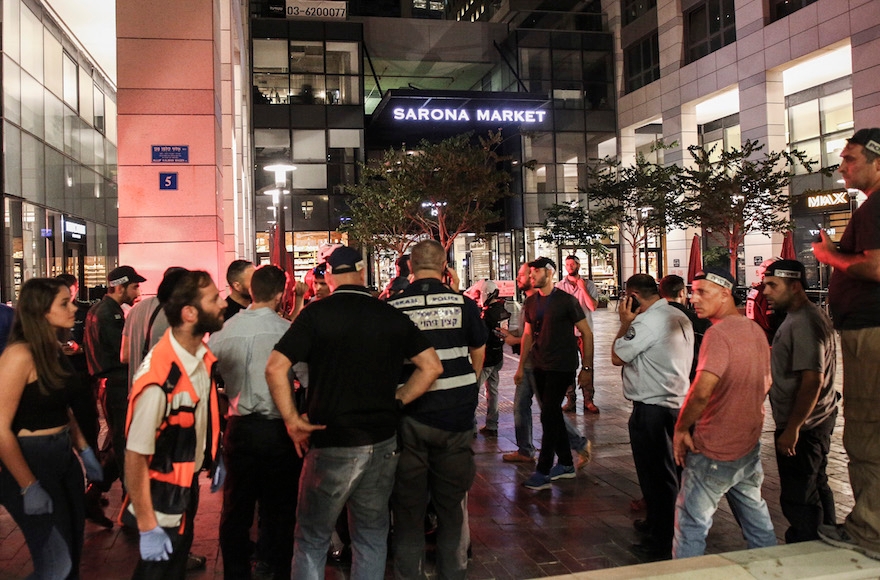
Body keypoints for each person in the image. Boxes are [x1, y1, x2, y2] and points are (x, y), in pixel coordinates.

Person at [265, 245, 443, 578]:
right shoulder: (389, 314)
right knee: (372, 535)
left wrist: (292, 420)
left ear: (329, 276)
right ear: (362, 272)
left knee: (312, 537)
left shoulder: (316, 314)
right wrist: (399, 399)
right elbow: (431, 366)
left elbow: (276, 367)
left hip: (330, 440)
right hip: (381, 440)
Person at [387, 239, 487, 579]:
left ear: (410, 267)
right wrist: (469, 384)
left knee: (409, 511)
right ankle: (453, 573)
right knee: (451, 510)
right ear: (446, 267)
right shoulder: (462, 304)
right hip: (455, 418)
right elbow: (479, 347)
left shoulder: (395, 307)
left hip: (411, 417)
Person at [124, 270, 226, 579]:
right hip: (161, 495)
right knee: (157, 573)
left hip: (184, 486)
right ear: (190, 313)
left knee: (175, 565)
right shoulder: (159, 380)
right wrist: (146, 524)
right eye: (214, 298)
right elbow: (135, 457)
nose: (222, 304)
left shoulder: (199, 359)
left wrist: (213, 455)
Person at [0, 278, 103, 579]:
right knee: (57, 563)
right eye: (64, 303)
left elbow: (63, 407)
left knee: (71, 551)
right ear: (41, 311)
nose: (74, 307)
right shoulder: (19, 356)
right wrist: (28, 484)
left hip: (62, 459)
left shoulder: (51, 349)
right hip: (32, 460)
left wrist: (83, 449)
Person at [671, 268, 777, 558]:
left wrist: (681, 429)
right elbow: (767, 382)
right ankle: (772, 569)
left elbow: (702, 390)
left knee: (691, 525)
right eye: (692, 291)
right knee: (757, 521)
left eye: (702, 292)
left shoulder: (718, 334)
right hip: (747, 445)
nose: (694, 299)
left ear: (725, 293)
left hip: (715, 450)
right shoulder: (754, 329)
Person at [812, 127, 880, 559]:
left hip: (870, 334)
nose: (842, 167)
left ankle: (870, 530)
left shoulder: (876, 207)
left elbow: (875, 269)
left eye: (851, 158)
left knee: (867, 429)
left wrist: (830, 256)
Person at [208, 265, 301, 580]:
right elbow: (303, 376)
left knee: (236, 508)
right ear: (280, 294)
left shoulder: (224, 330)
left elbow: (208, 371)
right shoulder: (286, 331)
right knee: (279, 509)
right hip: (278, 429)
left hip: (239, 427)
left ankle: (236, 573)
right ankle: (274, 567)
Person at [612, 274, 693, 560]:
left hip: (652, 407)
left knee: (657, 475)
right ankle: (661, 525)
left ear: (632, 295)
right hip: (675, 403)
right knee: (670, 472)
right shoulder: (676, 314)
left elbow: (617, 355)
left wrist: (625, 323)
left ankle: (662, 538)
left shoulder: (646, 322)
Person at [762, 259, 839, 543]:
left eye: (773, 285)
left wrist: (793, 428)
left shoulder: (804, 321)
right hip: (813, 421)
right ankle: (828, 543)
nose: (765, 291)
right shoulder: (802, 317)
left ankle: (808, 550)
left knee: (800, 497)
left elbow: (812, 379)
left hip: (805, 426)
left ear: (794, 286)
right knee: (816, 486)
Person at [500, 263, 592, 468]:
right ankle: (528, 450)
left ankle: (568, 452)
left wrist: (586, 368)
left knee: (549, 412)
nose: (520, 278)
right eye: (526, 274)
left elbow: (535, 335)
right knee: (524, 407)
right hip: (532, 362)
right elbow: (528, 332)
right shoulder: (531, 302)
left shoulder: (562, 301)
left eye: (523, 275)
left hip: (549, 365)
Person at [83, 265, 145, 516]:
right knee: (124, 445)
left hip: (112, 386)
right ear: (120, 287)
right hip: (116, 386)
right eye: (134, 286)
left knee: (118, 442)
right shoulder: (109, 313)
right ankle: (132, 506)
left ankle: (94, 493)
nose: (138, 290)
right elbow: (123, 353)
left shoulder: (105, 310)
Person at [554, 255, 600, 414]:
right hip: (567, 333)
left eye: (572, 264)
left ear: (578, 265)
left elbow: (593, 307)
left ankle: (588, 399)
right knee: (568, 366)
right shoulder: (560, 286)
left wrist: (583, 288)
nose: (569, 267)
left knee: (588, 365)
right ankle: (570, 399)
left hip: (585, 333)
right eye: (567, 264)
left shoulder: (588, 284)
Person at [659, 275, 711, 382]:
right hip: (690, 380)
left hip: (659, 381)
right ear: (682, 293)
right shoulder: (700, 321)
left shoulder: (649, 319)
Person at [476, 280, 508, 436]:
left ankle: (470, 425)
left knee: (473, 389)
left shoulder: (488, 313)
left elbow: (481, 336)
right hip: (498, 356)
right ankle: (492, 424)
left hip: (488, 358)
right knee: (493, 391)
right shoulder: (501, 309)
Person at [745, 257, 785, 344]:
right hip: (766, 340)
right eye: (763, 266)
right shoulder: (757, 291)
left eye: (769, 267)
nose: (765, 270)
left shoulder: (784, 291)